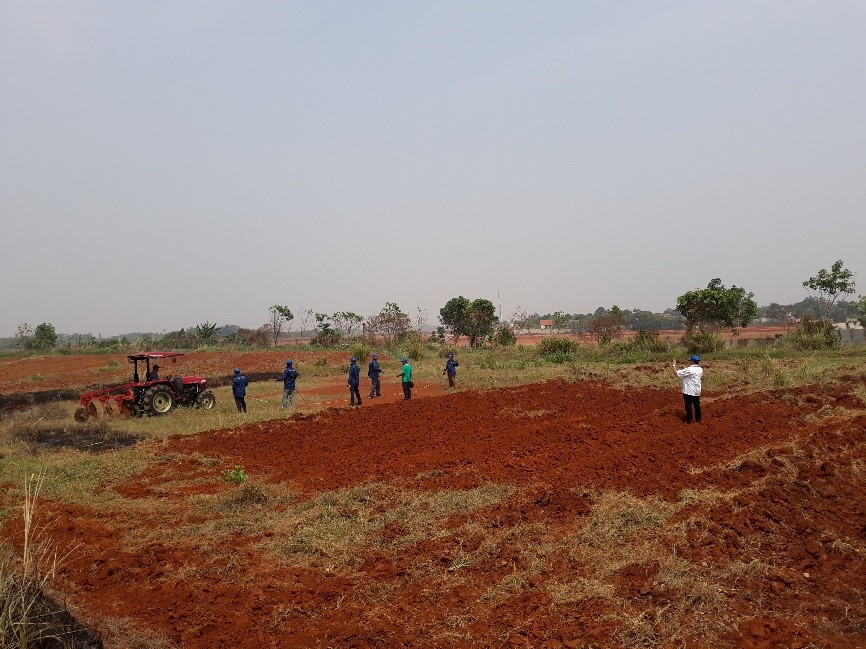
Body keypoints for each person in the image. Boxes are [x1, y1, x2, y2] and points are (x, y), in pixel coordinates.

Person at [673, 355, 703, 424]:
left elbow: (676, 373)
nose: (689, 362)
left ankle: (689, 420)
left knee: (688, 405)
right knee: (697, 405)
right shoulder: (700, 369)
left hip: (688, 391)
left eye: (690, 361)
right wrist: (684, 368)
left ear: (692, 361)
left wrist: (673, 365)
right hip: (697, 390)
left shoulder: (689, 370)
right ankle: (698, 419)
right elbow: (691, 373)